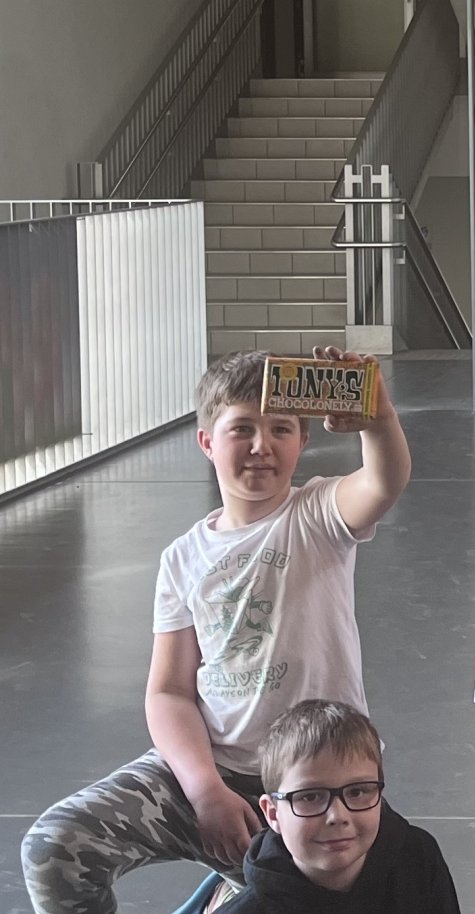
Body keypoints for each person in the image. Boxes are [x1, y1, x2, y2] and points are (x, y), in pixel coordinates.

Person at [19, 347, 409, 914]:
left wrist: (378, 417)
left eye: (280, 429)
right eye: (241, 428)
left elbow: (383, 481)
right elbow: (168, 692)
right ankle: (243, 880)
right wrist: (205, 791)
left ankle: (243, 885)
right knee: (54, 848)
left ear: (302, 441)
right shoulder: (182, 558)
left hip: (311, 785)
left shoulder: (317, 515)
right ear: (206, 441)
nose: (261, 445)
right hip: (210, 769)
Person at [223, 700, 459, 912]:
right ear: (273, 814)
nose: (337, 815)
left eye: (356, 792)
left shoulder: (418, 857)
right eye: (310, 797)